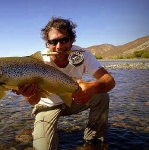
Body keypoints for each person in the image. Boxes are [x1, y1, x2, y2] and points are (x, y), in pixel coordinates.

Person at [14, 17, 115, 150]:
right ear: (47, 43)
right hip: (47, 106)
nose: (59, 47)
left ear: (71, 39)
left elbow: (109, 80)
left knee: (102, 96)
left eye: (64, 40)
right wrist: (29, 94)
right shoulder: (37, 62)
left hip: (72, 100)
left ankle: (93, 141)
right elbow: (34, 101)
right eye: (53, 42)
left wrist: (92, 87)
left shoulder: (83, 54)